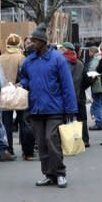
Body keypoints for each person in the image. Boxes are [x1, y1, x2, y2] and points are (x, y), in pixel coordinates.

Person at [20, 24, 78, 188]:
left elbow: (67, 85)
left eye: (35, 41)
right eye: (31, 41)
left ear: (43, 42)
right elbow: (24, 77)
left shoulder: (57, 59)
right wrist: (22, 85)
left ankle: (60, 173)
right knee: (42, 143)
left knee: (51, 140)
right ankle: (48, 174)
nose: (31, 44)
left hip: (55, 108)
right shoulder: (29, 60)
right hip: (36, 108)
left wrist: (71, 110)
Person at [0, 34, 35, 159]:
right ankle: (27, 151)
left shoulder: (0, 58)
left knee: (6, 124)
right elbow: (26, 75)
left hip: (5, 93)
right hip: (19, 91)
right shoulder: (22, 58)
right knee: (24, 122)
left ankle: (9, 149)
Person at [60, 42, 92, 147]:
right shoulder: (80, 63)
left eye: (62, 48)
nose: (60, 50)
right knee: (82, 119)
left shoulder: (61, 63)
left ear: (66, 50)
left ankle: (67, 141)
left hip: (66, 96)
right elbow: (87, 80)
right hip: (79, 96)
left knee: (65, 119)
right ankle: (85, 140)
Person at [87, 46, 102, 130]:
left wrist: (89, 81)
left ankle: (99, 122)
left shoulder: (95, 60)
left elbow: (92, 72)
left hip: (97, 85)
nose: (88, 54)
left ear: (92, 52)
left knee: (97, 104)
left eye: (89, 52)